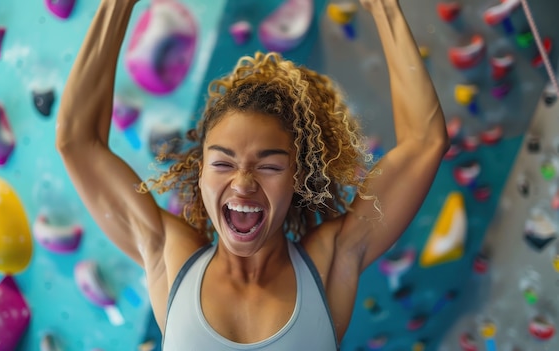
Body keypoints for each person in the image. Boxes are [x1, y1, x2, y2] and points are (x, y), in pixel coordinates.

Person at [56, 0, 448, 349]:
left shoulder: (331, 263)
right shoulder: (169, 258)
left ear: (299, 176)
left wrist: (386, 8)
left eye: (270, 166)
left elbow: (425, 142)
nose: (243, 183)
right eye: (223, 163)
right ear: (201, 173)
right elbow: (76, 141)